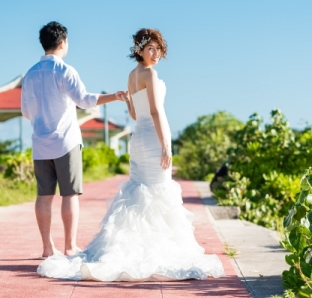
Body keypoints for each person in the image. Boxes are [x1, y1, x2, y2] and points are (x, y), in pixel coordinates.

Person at [37, 28, 225, 281]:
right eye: (151, 48)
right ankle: (155, 249)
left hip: (139, 138)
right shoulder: (149, 73)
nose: (155, 53)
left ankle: (132, 247)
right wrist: (167, 146)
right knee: (157, 191)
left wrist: (127, 102)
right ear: (139, 50)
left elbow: (136, 115)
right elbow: (156, 112)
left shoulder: (132, 75)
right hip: (154, 138)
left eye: (158, 49)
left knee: (141, 191)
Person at [21, 21, 125, 258]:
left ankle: (47, 248)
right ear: (62, 42)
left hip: (40, 143)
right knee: (69, 194)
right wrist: (115, 96)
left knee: (43, 196)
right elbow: (85, 100)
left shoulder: (29, 75)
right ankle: (69, 247)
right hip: (65, 142)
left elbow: (26, 112)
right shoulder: (65, 70)